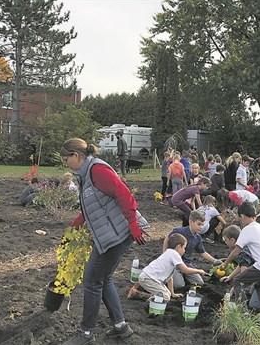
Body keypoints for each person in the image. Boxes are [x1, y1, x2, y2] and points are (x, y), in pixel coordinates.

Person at [61, 138, 146, 343]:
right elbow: (96, 204)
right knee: (103, 278)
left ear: (76, 156)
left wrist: (133, 223)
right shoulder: (85, 174)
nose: (65, 163)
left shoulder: (97, 170)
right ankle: (120, 326)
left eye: (66, 159)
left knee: (91, 280)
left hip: (119, 233)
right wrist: (76, 223)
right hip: (110, 234)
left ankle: (86, 333)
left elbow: (124, 194)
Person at [219, 202, 260, 325]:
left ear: (242, 216)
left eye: (239, 217)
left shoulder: (247, 230)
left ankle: (243, 313)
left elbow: (236, 251)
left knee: (238, 281)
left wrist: (225, 264)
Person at [127, 233, 206, 302]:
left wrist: (172, 293)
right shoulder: (175, 254)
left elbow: (170, 278)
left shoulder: (168, 253)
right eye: (184, 247)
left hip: (147, 277)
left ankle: (137, 290)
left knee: (168, 293)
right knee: (165, 297)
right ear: (178, 246)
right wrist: (198, 271)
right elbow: (186, 270)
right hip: (149, 279)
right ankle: (142, 296)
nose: (184, 250)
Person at [162, 211, 223, 289]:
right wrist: (165, 254)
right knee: (179, 285)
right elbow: (167, 238)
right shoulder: (180, 231)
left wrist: (215, 261)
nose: (201, 227)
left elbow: (202, 252)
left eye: (202, 224)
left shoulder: (197, 238)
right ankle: (172, 277)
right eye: (199, 224)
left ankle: (184, 276)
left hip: (187, 263)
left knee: (199, 283)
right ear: (191, 222)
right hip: (174, 263)